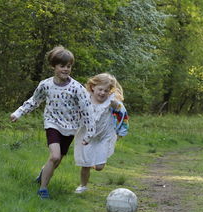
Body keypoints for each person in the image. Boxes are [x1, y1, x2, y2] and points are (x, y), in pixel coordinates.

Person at [10, 46, 95, 199]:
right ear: (53, 66)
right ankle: (43, 189)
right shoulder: (46, 85)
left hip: (70, 128)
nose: (66, 69)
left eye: (68, 66)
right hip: (52, 124)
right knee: (54, 156)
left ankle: (43, 174)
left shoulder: (77, 88)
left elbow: (87, 110)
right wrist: (19, 112)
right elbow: (34, 101)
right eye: (62, 66)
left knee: (57, 161)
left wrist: (89, 132)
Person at [74, 73, 129, 193]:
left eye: (106, 90)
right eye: (100, 89)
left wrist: (121, 131)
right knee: (85, 164)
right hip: (87, 136)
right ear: (93, 87)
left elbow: (123, 115)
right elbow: (75, 111)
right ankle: (83, 186)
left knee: (99, 167)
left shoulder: (111, 102)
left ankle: (94, 161)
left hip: (104, 136)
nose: (102, 93)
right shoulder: (85, 98)